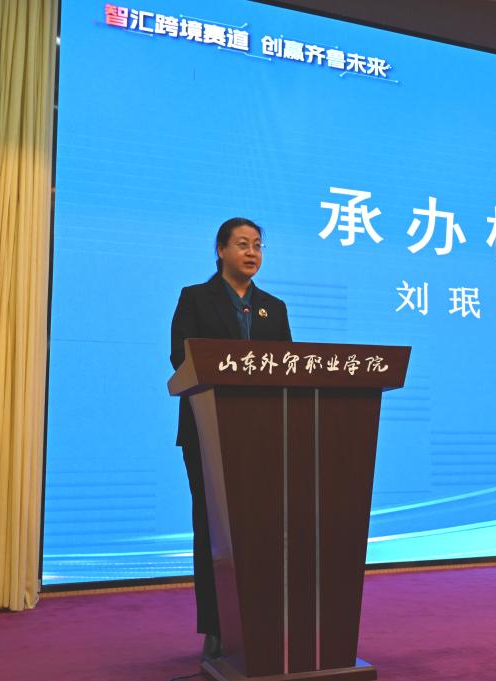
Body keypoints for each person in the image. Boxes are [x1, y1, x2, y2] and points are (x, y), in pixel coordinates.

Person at [170, 217, 292, 661]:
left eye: (257, 244)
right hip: (207, 432)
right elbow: (180, 358)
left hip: (262, 434)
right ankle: (216, 627)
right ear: (220, 250)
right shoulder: (195, 298)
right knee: (212, 530)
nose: (252, 252)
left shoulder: (274, 307)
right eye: (242, 244)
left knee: (261, 529)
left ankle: (263, 622)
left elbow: (287, 366)